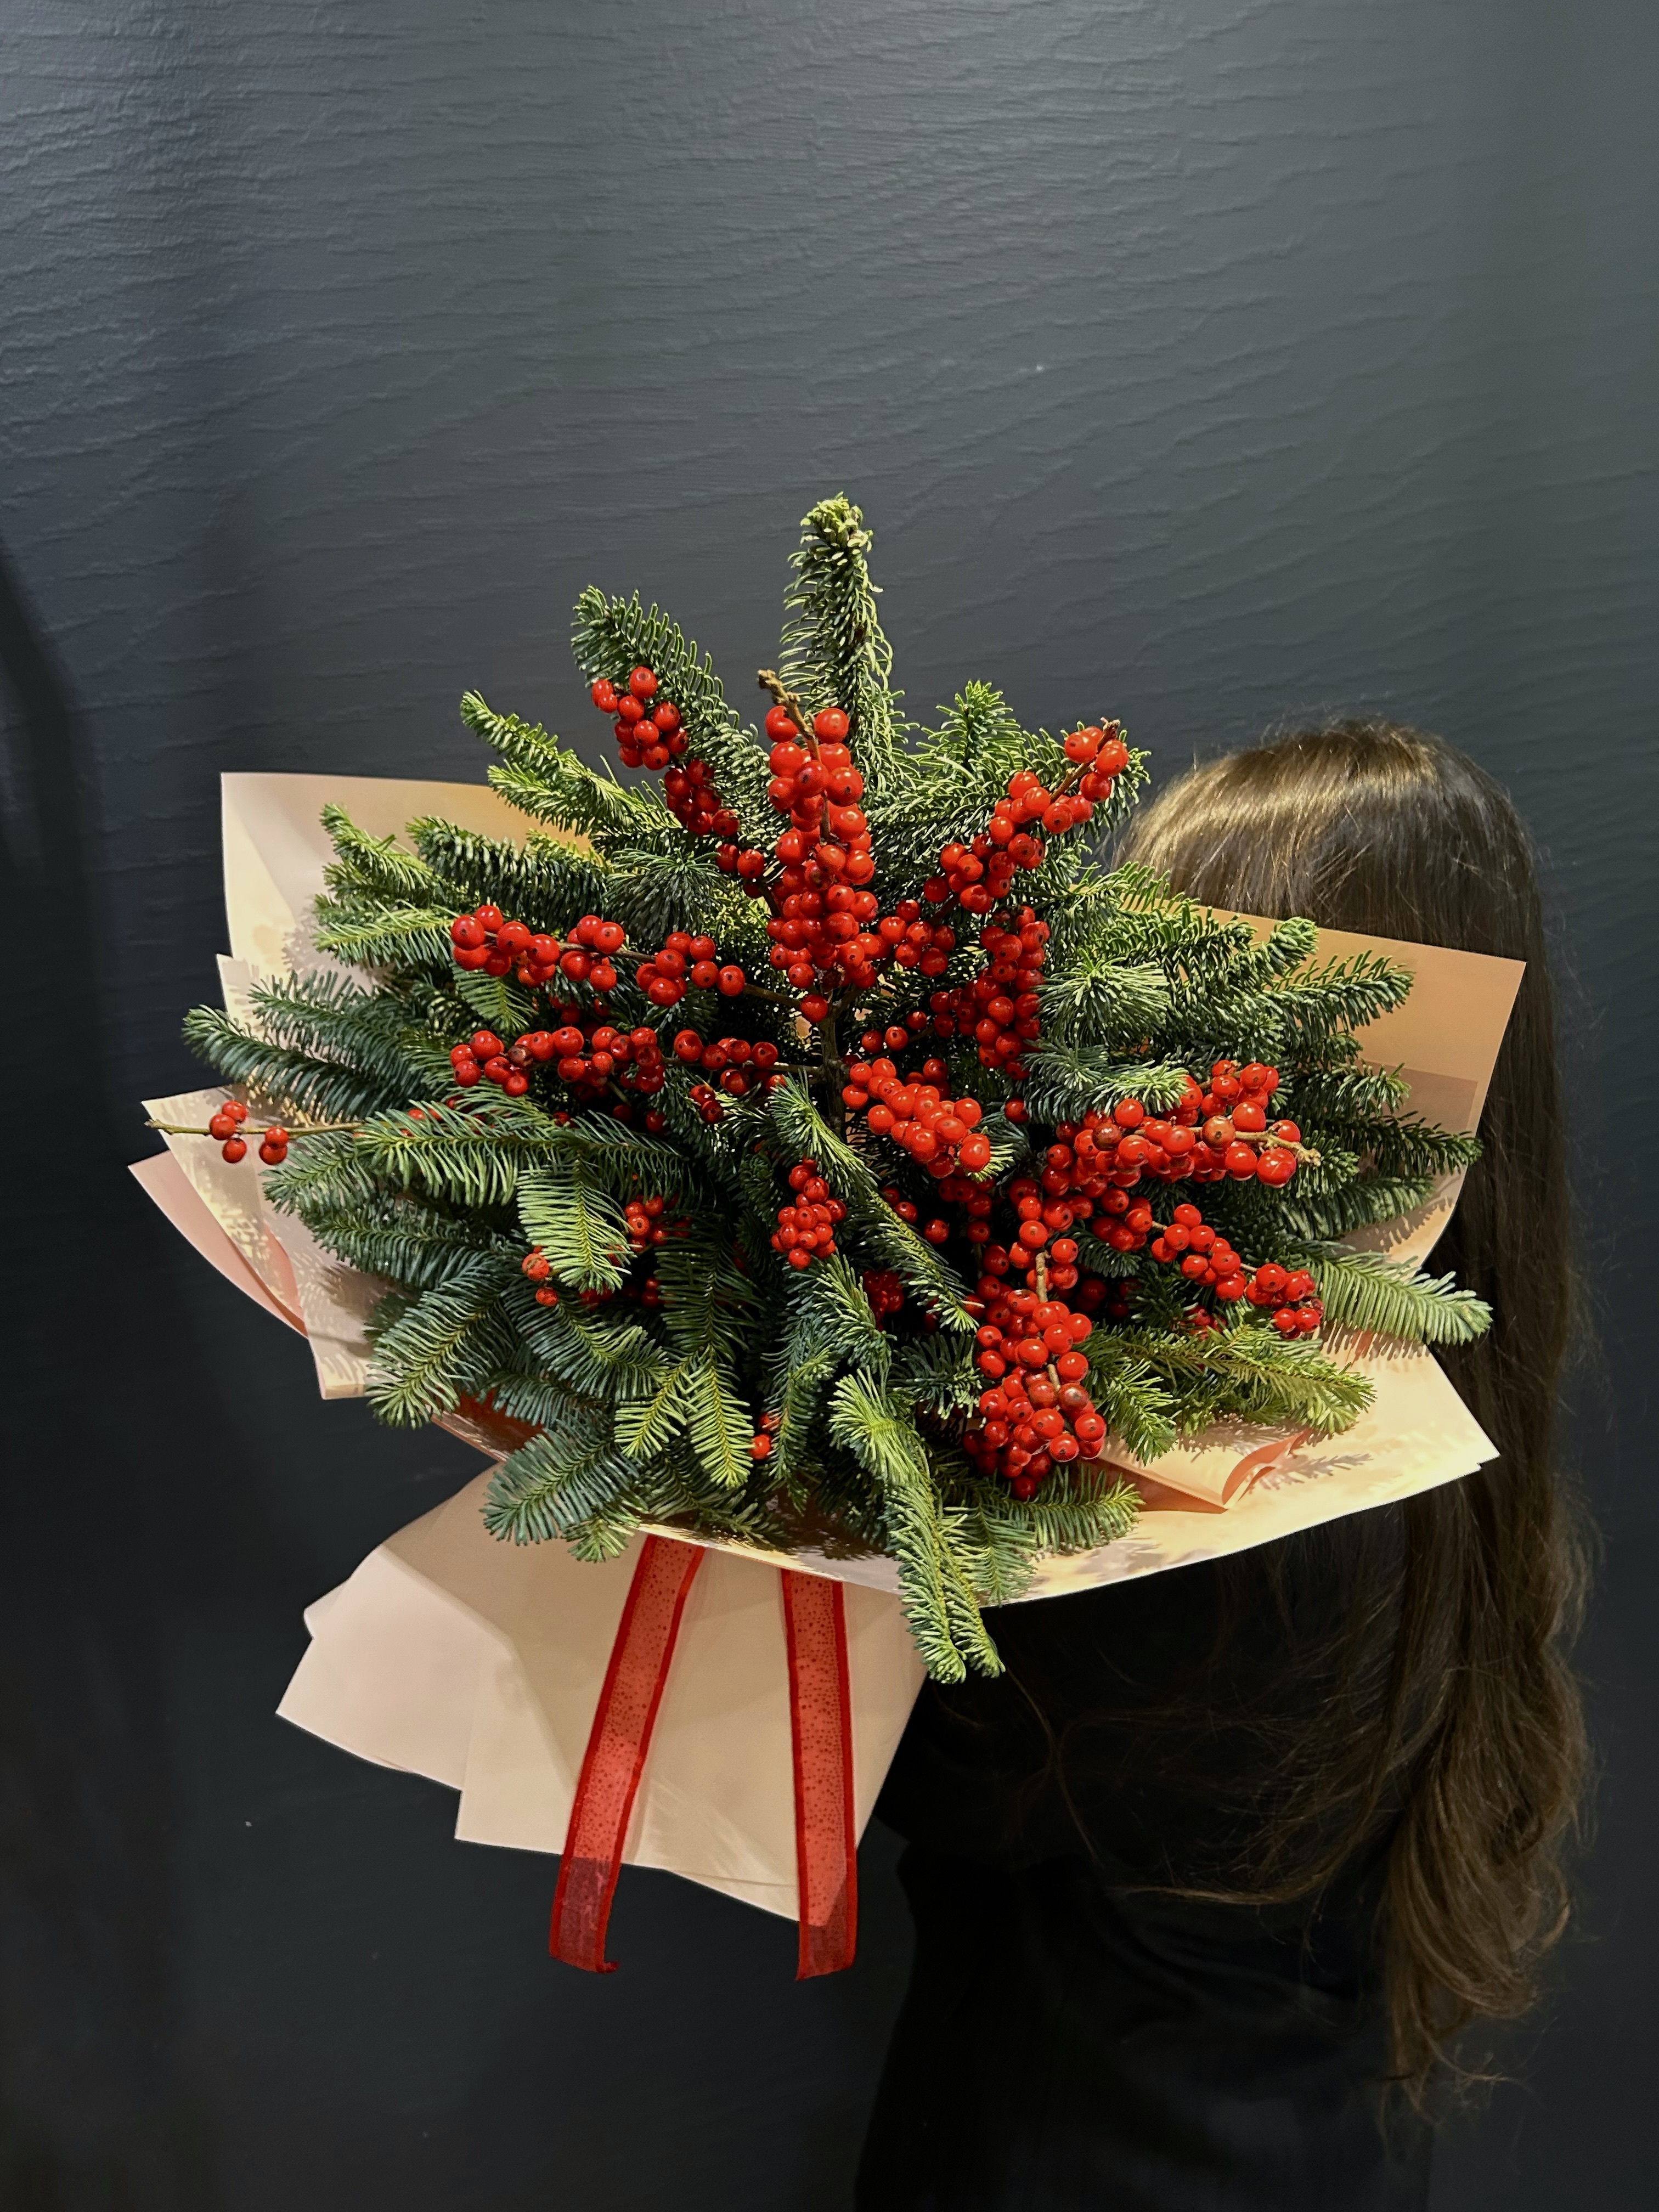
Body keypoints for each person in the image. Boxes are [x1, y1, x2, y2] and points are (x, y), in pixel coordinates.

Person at [855, 720, 1588, 2212]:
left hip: (1087, 2159)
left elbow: (942, 1774)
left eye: (1177, 957)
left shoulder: (1241, 1479)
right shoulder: (1441, 1406)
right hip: (1316, 2147)